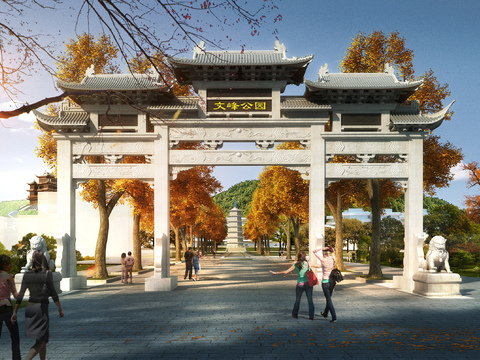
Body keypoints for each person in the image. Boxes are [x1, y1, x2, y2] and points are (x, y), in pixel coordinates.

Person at [11, 251, 64, 360]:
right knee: (42, 340)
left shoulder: (27, 274)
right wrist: (60, 309)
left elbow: (21, 294)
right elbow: (53, 293)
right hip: (41, 308)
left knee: (40, 338)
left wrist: (15, 311)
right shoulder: (47, 274)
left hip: (30, 308)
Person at [270, 251, 315, 320]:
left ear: (298, 257)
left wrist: (276, 273)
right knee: (310, 300)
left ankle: (295, 314)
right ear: (305, 257)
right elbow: (319, 265)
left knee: (298, 300)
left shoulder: (295, 265)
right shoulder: (308, 264)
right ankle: (311, 316)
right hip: (308, 284)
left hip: (300, 285)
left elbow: (285, 272)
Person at [0, 254, 21, 360]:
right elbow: (15, 294)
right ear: (4, 265)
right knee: (15, 336)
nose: (10, 265)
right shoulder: (9, 277)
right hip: (7, 309)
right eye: (9, 264)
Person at [313, 245, 337, 323]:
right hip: (332, 281)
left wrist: (322, 248)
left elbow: (314, 251)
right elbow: (333, 253)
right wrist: (332, 250)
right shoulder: (333, 259)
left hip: (325, 282)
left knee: (329, 300)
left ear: (323, 253)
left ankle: (334, 317)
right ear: (328, 253)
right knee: (328, 298)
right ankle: (325, 313)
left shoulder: (323, 260)